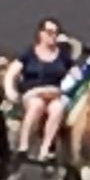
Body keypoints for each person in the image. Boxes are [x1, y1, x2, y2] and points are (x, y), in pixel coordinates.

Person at [9, 17, 75, 161]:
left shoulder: (63, 56)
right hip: (33, 93)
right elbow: (12, 72)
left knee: (58, 108)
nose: (53, 36)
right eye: (50, 32)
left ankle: (46, 148)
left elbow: (74, 74)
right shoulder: (29, 53)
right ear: (41, 33)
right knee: (37, 105)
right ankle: (24, 145)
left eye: (56, 33)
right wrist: (11, 91)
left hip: (53, 93)